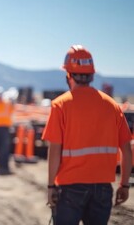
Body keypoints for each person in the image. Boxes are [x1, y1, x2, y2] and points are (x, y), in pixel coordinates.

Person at [42, 45, 133, 225]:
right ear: (91, 75)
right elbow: (127, 149)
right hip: (103, 189)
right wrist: (124, 184)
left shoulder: (60, 105)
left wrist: (51, 185)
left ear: (68, 75)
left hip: (69, 188)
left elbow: (54, 151)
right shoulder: (112, 106)